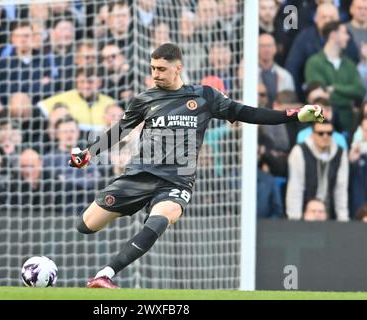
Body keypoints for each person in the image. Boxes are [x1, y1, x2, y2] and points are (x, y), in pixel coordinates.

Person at [67, 43, 324, 289]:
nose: (155, 74)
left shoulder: (204, 97)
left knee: (161, 218)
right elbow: (119, 130)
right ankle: (121, 223)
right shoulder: (144, 99)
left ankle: (105, 274)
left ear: (178, 67)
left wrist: (294, 114)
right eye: (152, 68)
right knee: (85, 225)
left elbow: (248, 113)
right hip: (138, 176)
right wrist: (89, 152)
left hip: (176, 181)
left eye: (161, 69)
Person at [305, 20, 365, 134]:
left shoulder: (349, 64)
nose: (348, 37)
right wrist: (347, 99)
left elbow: (360, 91)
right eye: (344, 33)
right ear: (333, 35)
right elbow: (319, 98)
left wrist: (335, 88)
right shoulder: (314, 62)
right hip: (323, 127)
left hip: (349, 125)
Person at [286, 121, 349, 221]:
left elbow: (341, 189)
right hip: (305, 213)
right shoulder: (299, 151)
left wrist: (343, 219)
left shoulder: (340, 153)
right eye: (320, 133)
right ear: (312, 134)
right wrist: (294, 219)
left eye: (329, 133)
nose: (325, 136)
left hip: (329, 212)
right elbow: (295, 187)